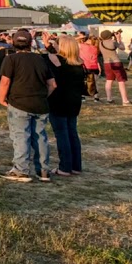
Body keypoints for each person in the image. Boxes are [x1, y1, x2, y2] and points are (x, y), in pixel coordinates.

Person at [0, 29, 56, 183]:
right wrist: (43, 96)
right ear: (30, 43)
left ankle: (21, 170)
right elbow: (52, 84)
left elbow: (5, 81)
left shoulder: (11, 59)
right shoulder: (41, 59)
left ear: (13, 42)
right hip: (40, 104)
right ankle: (43, 171)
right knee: (40, 137)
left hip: (19, 103)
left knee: (21, 136)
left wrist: (1, 98)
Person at [44, 35, 86, 177]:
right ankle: (76, 166)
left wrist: (47, 46)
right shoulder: (79, 62)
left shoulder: (55, 60)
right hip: (74, 101)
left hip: (58, 100)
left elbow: (46, 57)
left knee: (62, 134)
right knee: (72, 133)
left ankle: (65, 167)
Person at [98, 30, 131, 105]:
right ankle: (125, 100)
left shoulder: (100, 43)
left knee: (109, 80)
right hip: (116, 62)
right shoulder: (113, 42)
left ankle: (109, 99)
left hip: (106, 63)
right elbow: (122, 48)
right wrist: (119, 39)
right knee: (121, 81)